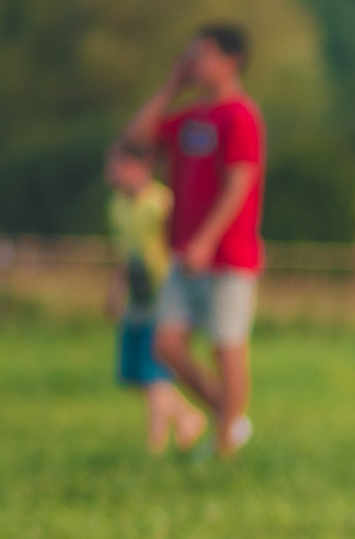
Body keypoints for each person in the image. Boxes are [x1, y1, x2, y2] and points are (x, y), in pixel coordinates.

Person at [125, 23, 266, 459]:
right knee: (165, 345)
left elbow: (239, 182)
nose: (195, 63)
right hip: (183, 254)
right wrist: (171, 86)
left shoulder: (240, 116)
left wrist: (206, 240)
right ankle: (229, 414)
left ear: (231, 61)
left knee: (227, 347)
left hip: (227, 255)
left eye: (203, 55)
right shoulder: (190, 118)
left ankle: (225, 445)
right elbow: (136, 140)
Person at [103, 140, 209, 454]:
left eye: (118, 164)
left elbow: (177, 248)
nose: (111, 172)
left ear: (141, 165)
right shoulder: (118, 207)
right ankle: (188, 417)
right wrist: (116, 290)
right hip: (137, 297)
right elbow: (125, 255)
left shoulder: (162, 203)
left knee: (153, 374)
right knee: (134, 374)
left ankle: (157, 445)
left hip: (164, 294)